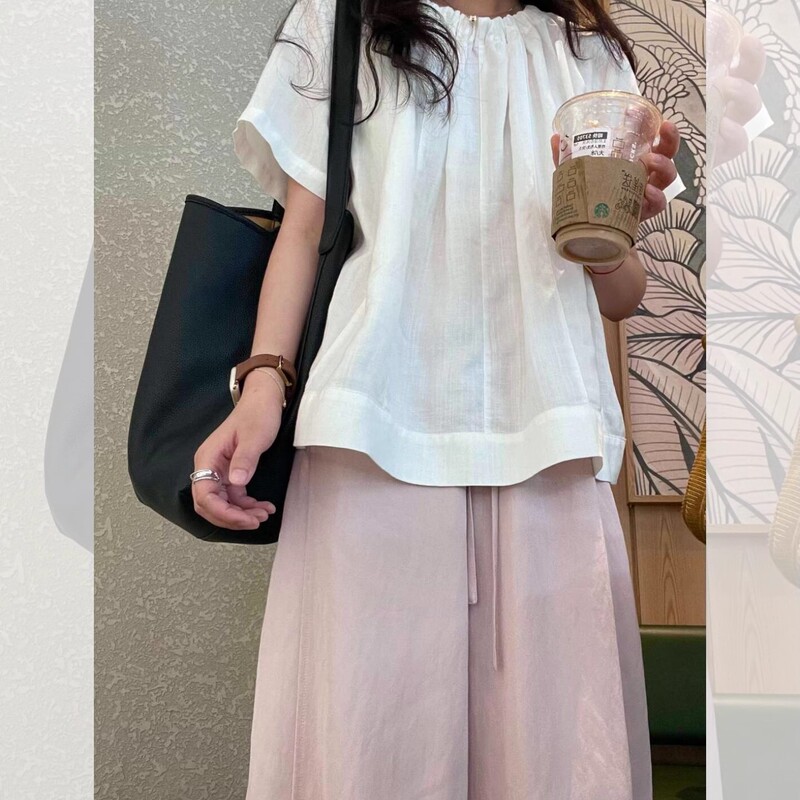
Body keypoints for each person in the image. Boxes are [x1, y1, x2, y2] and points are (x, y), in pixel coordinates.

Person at [192, 0, 683, 797]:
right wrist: (262, 384)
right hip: (375, 429)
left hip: (552, 439)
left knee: (557, 764)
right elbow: (303, 228)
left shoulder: (590, 57)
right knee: (371, 756)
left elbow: (623, 294)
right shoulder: (342, 24)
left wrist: (608, 231)